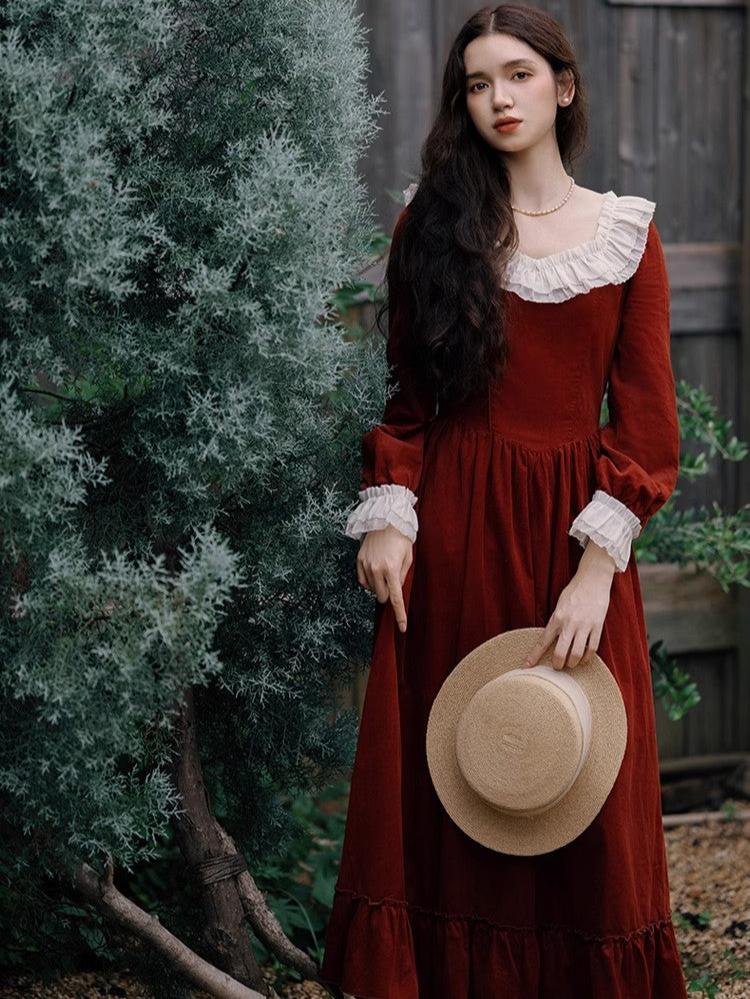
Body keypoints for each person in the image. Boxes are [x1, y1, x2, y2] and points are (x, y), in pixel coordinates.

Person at [319, 5, 688, 997]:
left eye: (518, 75)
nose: (499, 99)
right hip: (455, 543)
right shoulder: (432, 225)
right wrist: (390, 515)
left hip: (574, 545)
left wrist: (595, 574)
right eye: (479, 83)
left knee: (584, 788)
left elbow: (649, 431)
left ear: (561, 86)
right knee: (463, 782)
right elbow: (409, 402)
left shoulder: (626, 237)